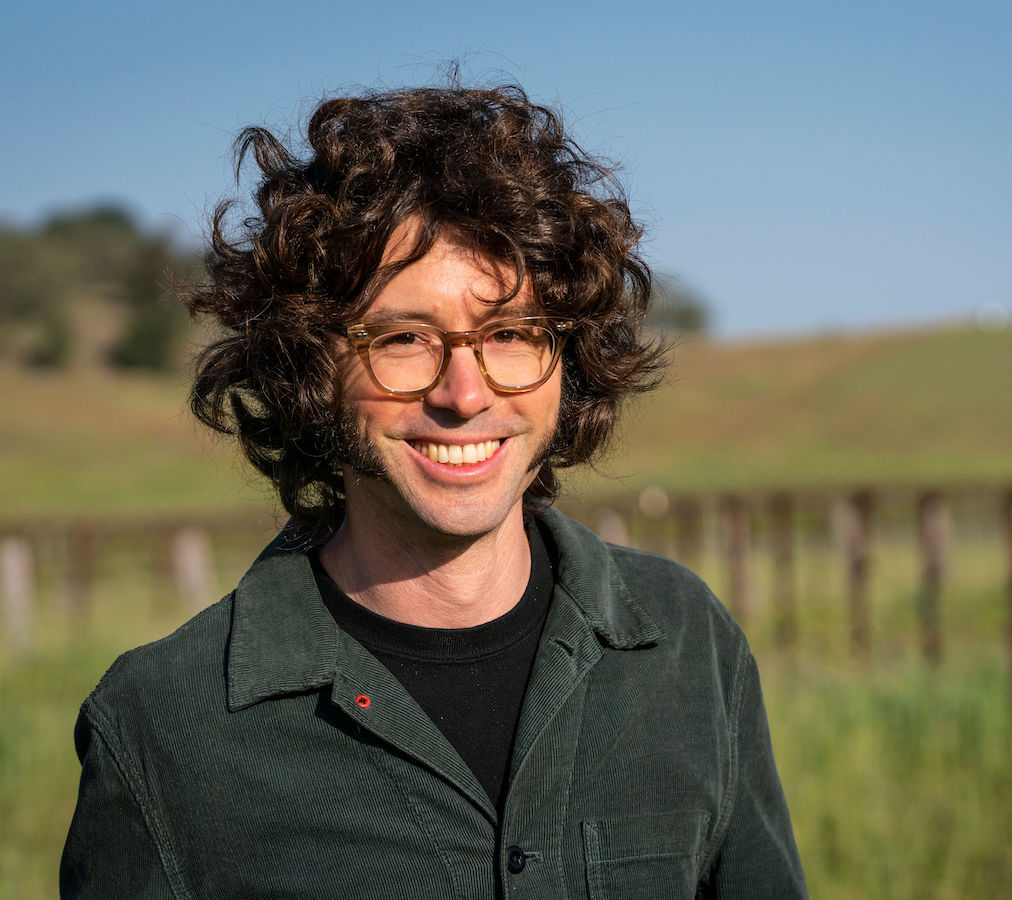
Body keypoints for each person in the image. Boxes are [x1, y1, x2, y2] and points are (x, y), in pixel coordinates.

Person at [61, 80, 807, 898]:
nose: (465, 392)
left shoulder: (686, 644)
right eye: (405, 337)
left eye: (512, 334)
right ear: (311, 365)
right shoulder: (160, 729)